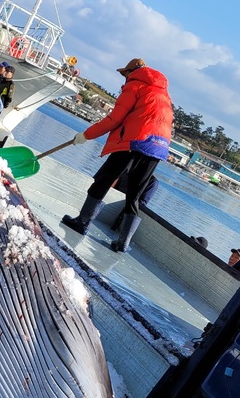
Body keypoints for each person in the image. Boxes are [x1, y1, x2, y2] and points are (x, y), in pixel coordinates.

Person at [61, 57, 173, 253]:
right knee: (135, 194)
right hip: (158, 147)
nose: (124, 79)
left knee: (103, 180)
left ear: (132, 72)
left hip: (134, 142)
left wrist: (86, 135)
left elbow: (114, 119)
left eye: (124, 74)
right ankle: (123, 243)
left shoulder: (135, 85)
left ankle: (82, 222)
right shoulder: (163, 92)